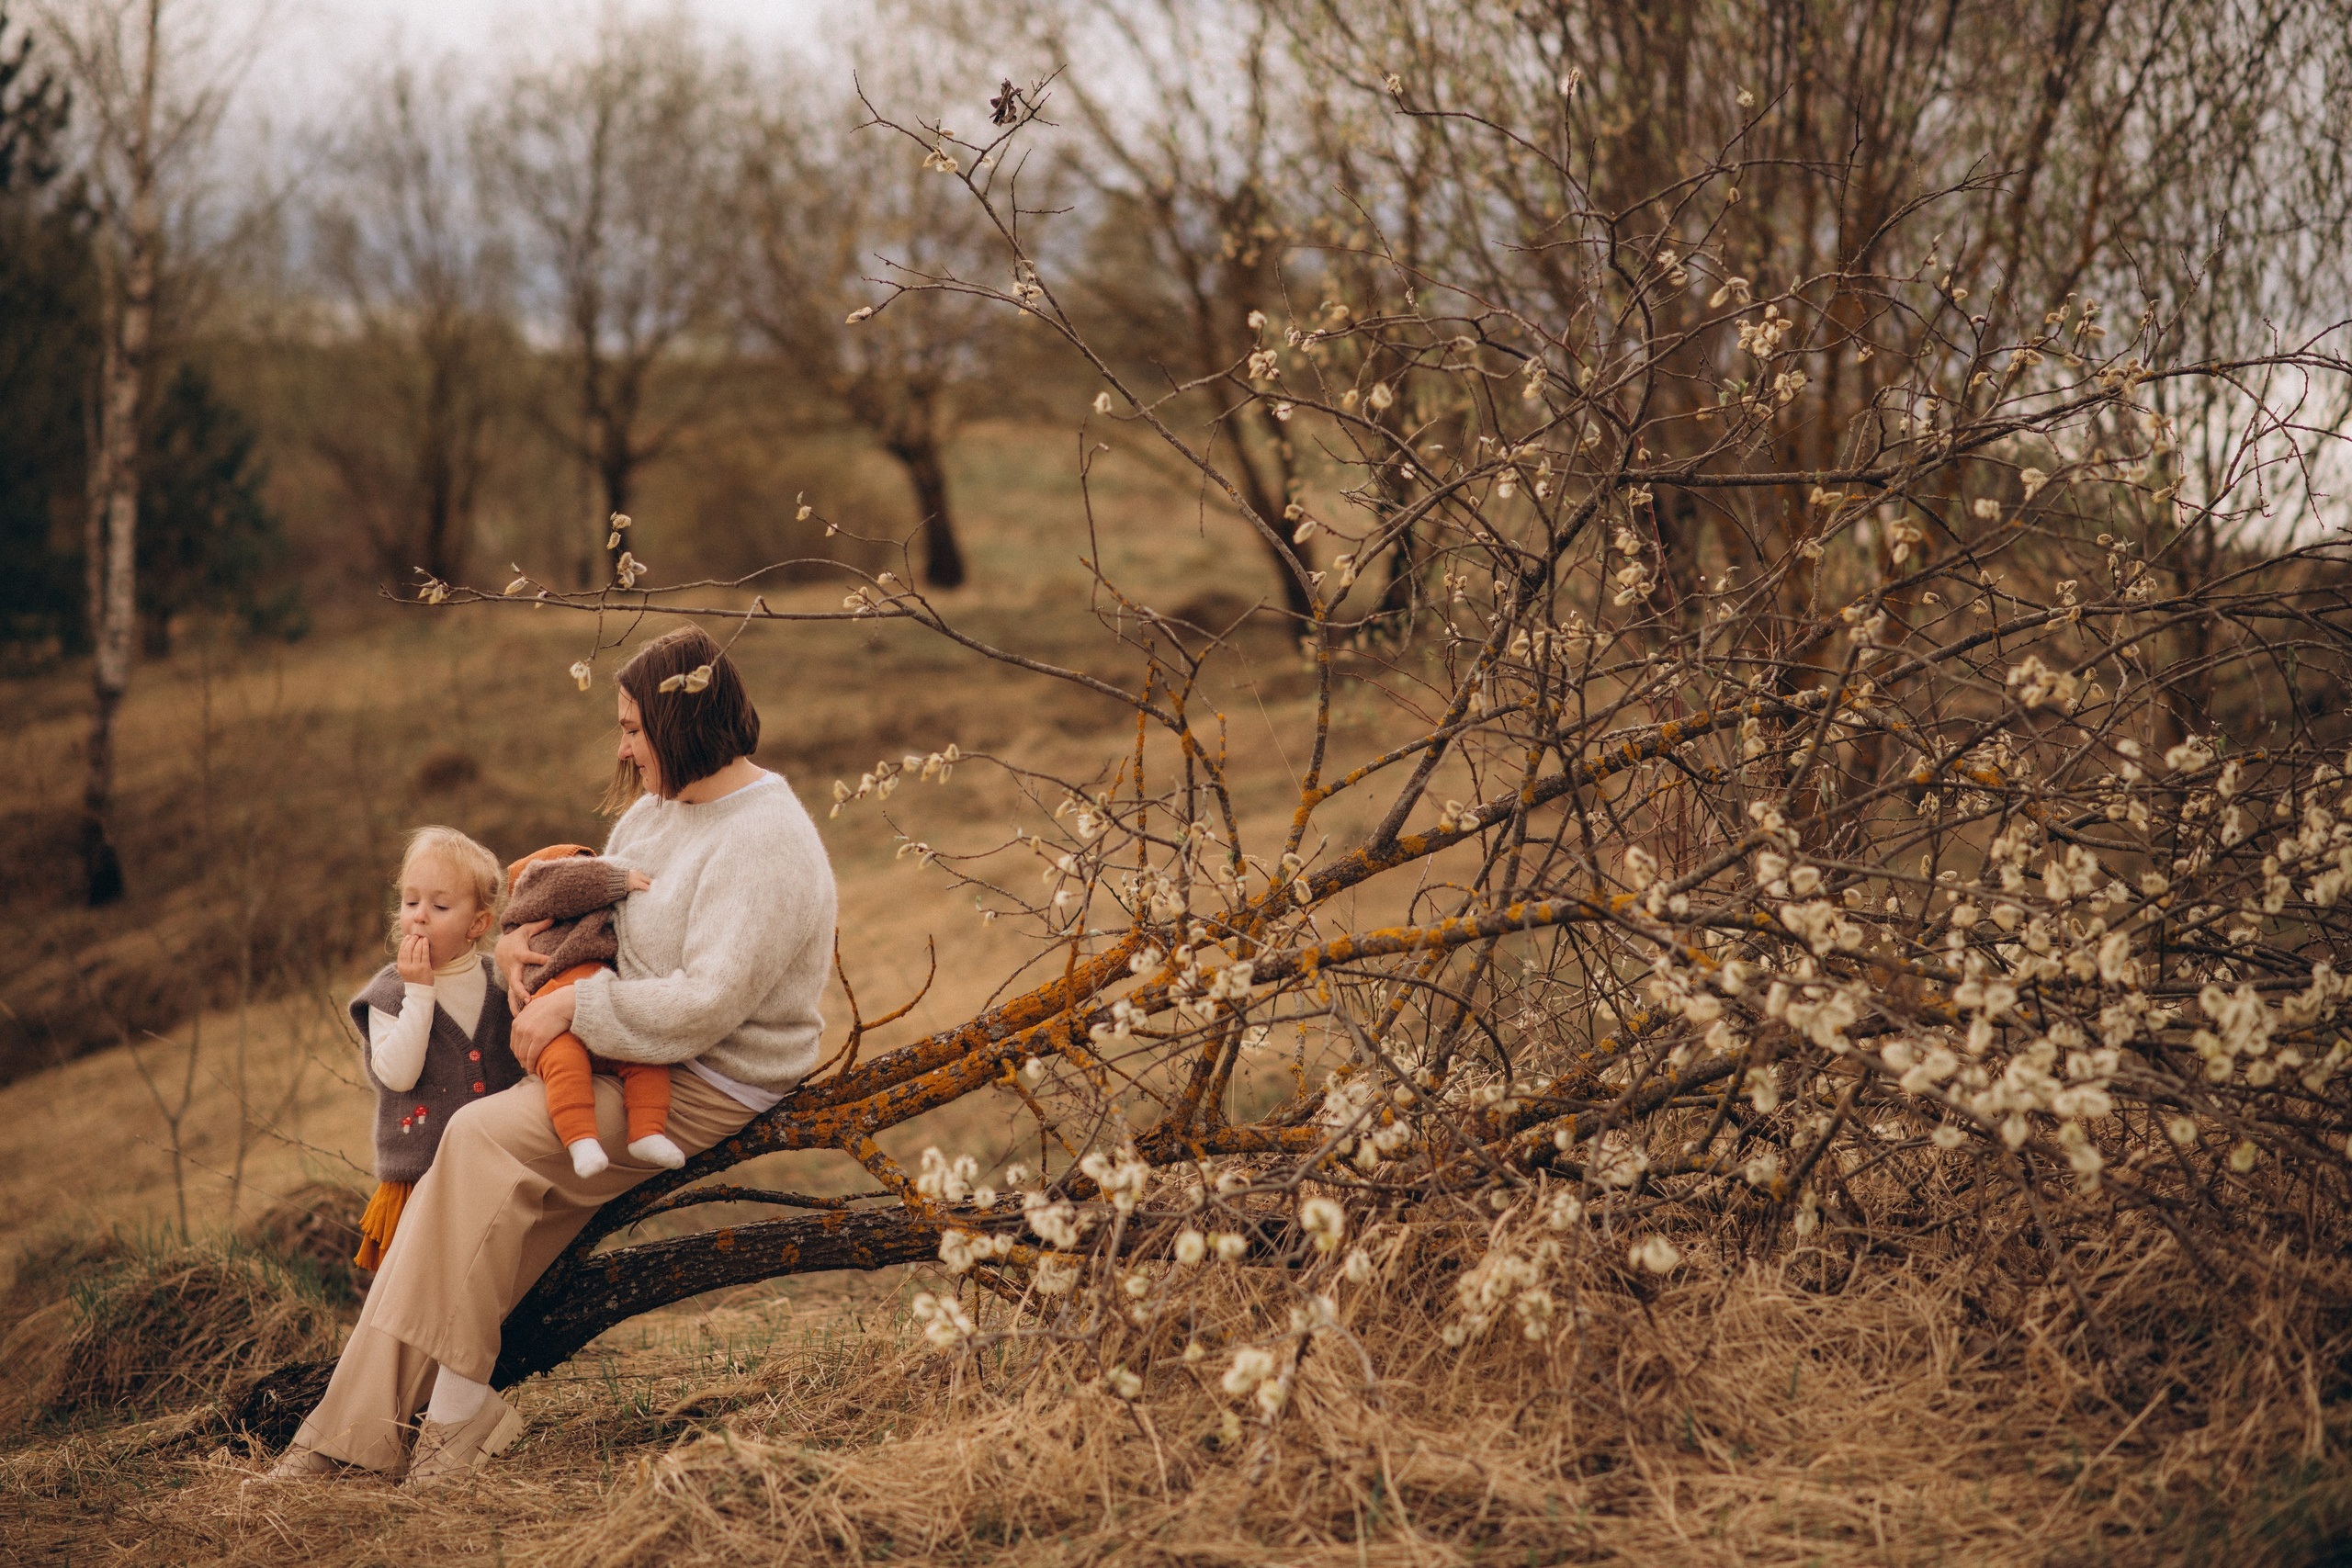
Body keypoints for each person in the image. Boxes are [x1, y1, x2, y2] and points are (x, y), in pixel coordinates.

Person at [252, 625, 836, 1488]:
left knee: (478, 1140)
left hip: (708, 1075)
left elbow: (708, 1003)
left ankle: (400, 1428)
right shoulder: (657, 812)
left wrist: (577, 1005)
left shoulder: (765, 840)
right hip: (622, 1045)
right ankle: (374, 1430)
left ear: (681, 725)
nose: (623, 748)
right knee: (461, 1180)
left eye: (633, 728)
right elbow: (595, 912)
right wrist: (518, 949)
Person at [349, 827, 527, 1273]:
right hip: (420, 1180)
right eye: (411, 902)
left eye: (440, 906)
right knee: (427, 1284)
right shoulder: (391, 993)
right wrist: (420, 992)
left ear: (477, 924)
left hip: (498, 1172)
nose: (420, 917)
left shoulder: (500, 983)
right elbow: (399, 1075)